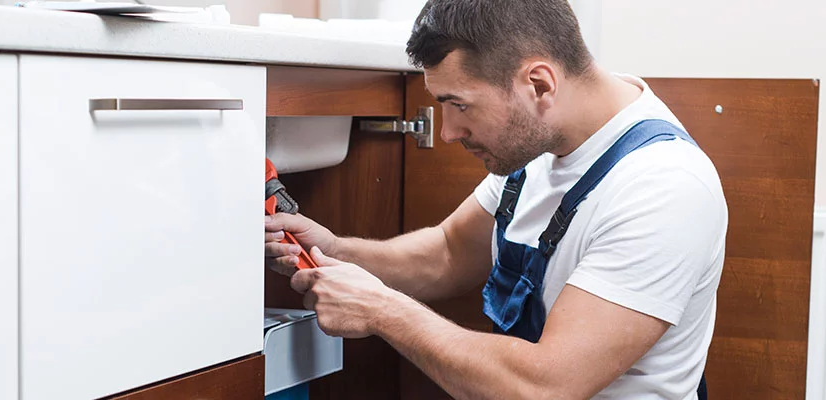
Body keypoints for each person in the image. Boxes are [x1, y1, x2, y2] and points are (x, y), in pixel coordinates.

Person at [264, 0, 727, 398]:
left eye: (460, 105)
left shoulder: (662, 186)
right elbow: (449, 251)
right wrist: (337, 251)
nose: (448, 132)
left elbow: (545, 388)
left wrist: (383, 310)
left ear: (539, 84)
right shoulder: (542, 141)